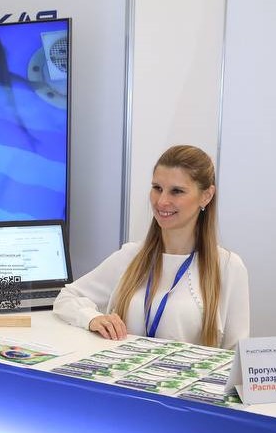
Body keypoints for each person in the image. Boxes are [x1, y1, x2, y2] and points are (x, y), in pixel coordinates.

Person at [53, 145, 250, 349]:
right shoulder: (130, 256)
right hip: (125, 368)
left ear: (206, 196)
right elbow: (66, 297)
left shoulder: (228, 267)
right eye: (157, 188)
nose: (162, 201)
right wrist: (92, 318)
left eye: (177, 191)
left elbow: (237, 355)